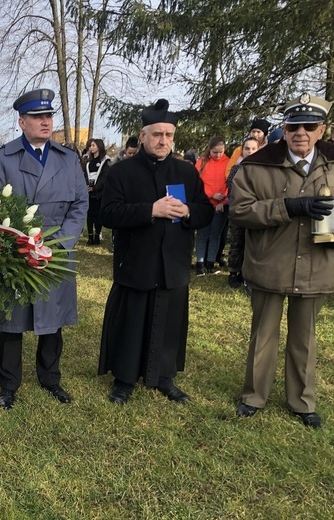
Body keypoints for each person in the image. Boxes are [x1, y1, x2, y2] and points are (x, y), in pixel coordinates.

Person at [230, 93, 334, 429]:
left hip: (317, 265)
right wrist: (288, 207)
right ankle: (254, 396)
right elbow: (240, 210)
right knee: (263, 333)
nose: (301, 133)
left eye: (309, 126)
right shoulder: (257, 165)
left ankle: (302, 401)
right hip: (270, 263)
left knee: (304, 337)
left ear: (321, 130)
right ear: (285, 129)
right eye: (294, 126)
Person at [98, 98, 213, 405]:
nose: (163, 140)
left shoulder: (186, 173)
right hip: (136, 260)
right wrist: (150, 209)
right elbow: (108, 214)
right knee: (133, 323)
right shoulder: (122, 172)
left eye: (169, 135)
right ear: (144, 135)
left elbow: (206, 213)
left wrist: (187, 211)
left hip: (173, 261)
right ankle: (124, 379)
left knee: (169, 320)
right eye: (157, 134)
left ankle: (163, 376)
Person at [0, 88, 88, 409]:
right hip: (18, 252)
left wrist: (62, 244)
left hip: (55, 253)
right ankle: (9, 383)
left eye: (48, 116)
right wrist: (21, 244)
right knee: (13, 322)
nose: (45, 122)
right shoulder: (1, 158)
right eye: (37, 117)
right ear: (22, 122)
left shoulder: (68, 159)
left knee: (52, 320)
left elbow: (79, 203)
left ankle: (50, 378)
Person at [225, 136, 260, 289]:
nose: (250, 151)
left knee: (251, 243)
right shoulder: (236, 168)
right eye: (247, 148)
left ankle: (246, 275)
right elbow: (232, 188)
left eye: (253, 149)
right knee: (237, 242)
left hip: (255, 212)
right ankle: (233, 272)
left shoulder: (263, 169)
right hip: (238, 210)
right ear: (242, 150)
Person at [194, 136, 230, 275]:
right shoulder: (202, 162)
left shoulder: (228, 162)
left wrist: (223, 201)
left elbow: (231, 182)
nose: (218, 155)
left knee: (215, 234)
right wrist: (211, 194)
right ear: (209, 150)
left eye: (221, 152)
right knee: (202, 234)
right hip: (205, 203)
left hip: (222, 205)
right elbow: (197, 183)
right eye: (215, 152)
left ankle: (210, 262)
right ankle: (200, 263)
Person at [84, 138, 111, 245]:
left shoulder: (105, 161)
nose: (91, 148)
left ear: (99, 147)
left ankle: (97, 236)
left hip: (99, 194)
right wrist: (86, 186)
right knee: (90, 215)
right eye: (90, 146)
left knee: (98, 215)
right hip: (89, 194)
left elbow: (105, 178)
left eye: (93, 145)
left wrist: (95, 188)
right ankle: (90, 237)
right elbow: (85, 175)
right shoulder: (88, 161)